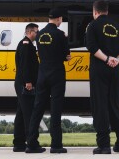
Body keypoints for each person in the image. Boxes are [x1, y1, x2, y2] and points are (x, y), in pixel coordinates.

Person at [85, 0, 119, 154]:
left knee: (100, 105)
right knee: (114, 103)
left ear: (95, 11)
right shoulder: (118, 27)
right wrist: (116, 59)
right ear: (107, 11)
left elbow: (92, 47)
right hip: (114, 70)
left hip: (99, 69)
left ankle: (104, 145)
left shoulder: (92, 25)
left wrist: (106, 59)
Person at [26, 9, 70, 154]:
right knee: (56, 109)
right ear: (59, 19)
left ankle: (31, 144)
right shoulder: (60, 34)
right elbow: (67, 56)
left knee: (37, 109)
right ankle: (56, 145)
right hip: (56, 73)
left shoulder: (39, 35)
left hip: (42, 73)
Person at [13, 23, 39, 152]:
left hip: (21, 83)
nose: (37, 34)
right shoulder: (26, 45)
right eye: (36, 31)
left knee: (21, 114)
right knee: (29, 113)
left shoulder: (26, 44)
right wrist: (28, 82)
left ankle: (18, 143)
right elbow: (25, 65)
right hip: (25, 84)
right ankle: (32, 144)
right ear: (30, 32)